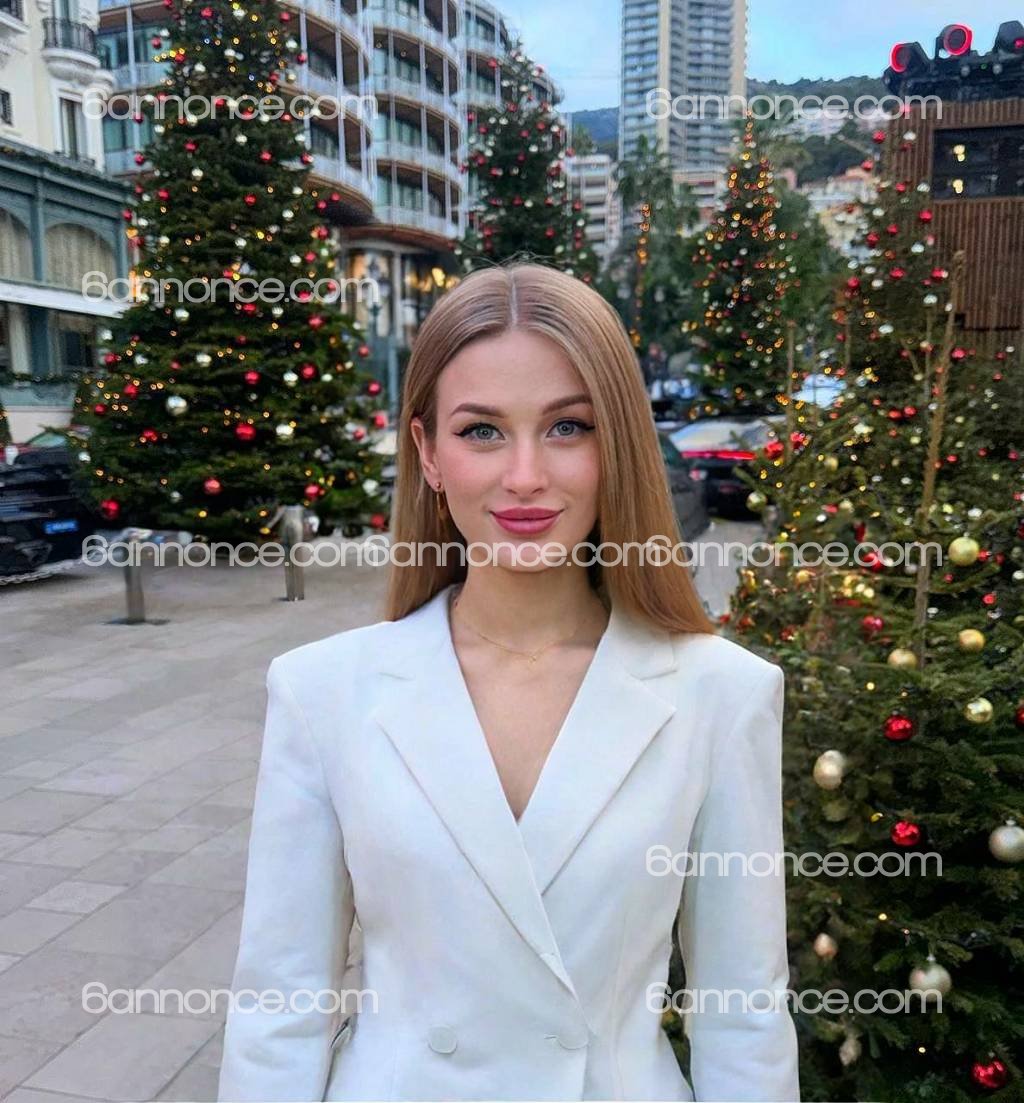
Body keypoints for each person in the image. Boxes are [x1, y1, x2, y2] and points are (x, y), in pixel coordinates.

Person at [216, 263, 800, 1103]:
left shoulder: (721, 693)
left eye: (568, 426)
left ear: (616, 445)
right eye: (482, 430)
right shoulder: (322, 693)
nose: (525, 475)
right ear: (427, 452)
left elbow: (742, 1011)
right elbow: (279, 1004)